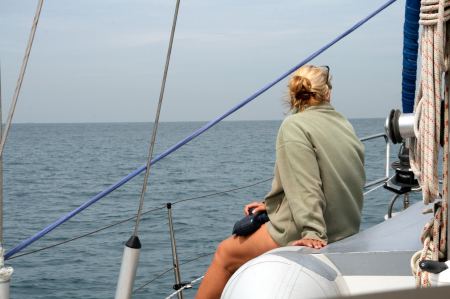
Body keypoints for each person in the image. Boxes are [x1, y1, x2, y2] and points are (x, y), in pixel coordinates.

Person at [195, 65, 365, 299]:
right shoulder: (343, 123)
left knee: (225, 255)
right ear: (328, 93)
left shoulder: (294, 125)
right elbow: (333, 176)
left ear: (293, 94)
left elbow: (306, 184)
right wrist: (273, 205)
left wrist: (313, 233)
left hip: (314, 228)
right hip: (345, 226)